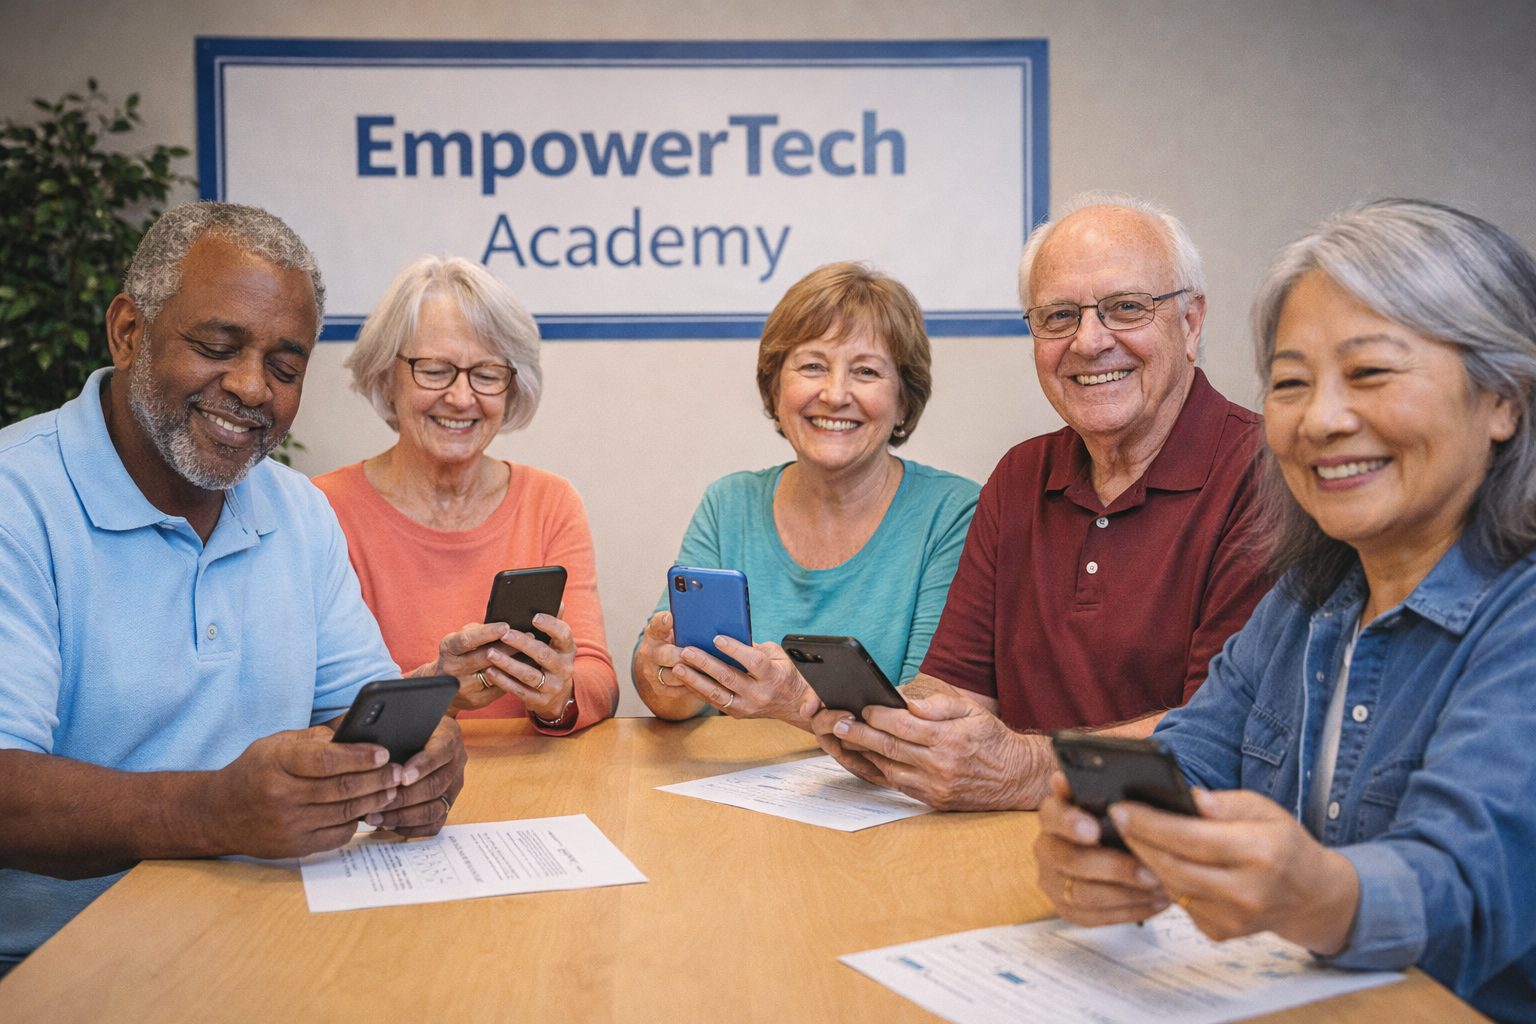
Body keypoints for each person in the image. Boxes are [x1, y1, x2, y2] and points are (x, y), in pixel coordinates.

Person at [1037, 198, 1536, 1022]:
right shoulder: (1307, 597)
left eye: (1370, 373)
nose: (1321, 420)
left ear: (1504, 400)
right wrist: (1097, 838)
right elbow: (1188, 758)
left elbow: (1467, 888)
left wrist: (1323, 894)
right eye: (1291, 383)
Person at [0, 203, 470, 972]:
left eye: (285, 369)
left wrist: (421, 758)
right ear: (127, 333)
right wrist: (212, 812)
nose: (253, 389)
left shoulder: (298, 510)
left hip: (272, 938)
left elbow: (361, 707)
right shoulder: (16, 503)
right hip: (54, 965)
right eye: (218, 347)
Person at [813, 192, 1270, 809]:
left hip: (1171, 853)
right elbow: (957, 688)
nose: (1088, 342)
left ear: (1190, 324)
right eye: (1057, 316)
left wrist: (1027, 770)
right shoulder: (1022, 475)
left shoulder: (1266, 474)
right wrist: (883, 730)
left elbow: (1224, 737)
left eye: (1125, 308)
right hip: (1011, 838)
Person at [633, 262, 979, 728]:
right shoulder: (728, 503)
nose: (835, 394)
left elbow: (930, 714)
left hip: (885, 797)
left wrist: (794, 701)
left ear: (904, 400)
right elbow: (670, 699)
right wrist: (662, 670)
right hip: (729, 789)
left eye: (866, 371)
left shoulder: (953, 514)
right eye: (813, 366)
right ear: (775, 388)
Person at [313, 256, 618, 735]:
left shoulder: (551, 503)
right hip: (389, 793)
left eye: (487, 373)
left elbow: (598, 677)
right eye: (434, 370)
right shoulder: (322, 510)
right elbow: (315, 714)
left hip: (538, 792)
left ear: (512, 388)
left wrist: (559, 697)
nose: (461, 397)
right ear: (385, 377)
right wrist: (438, 691)